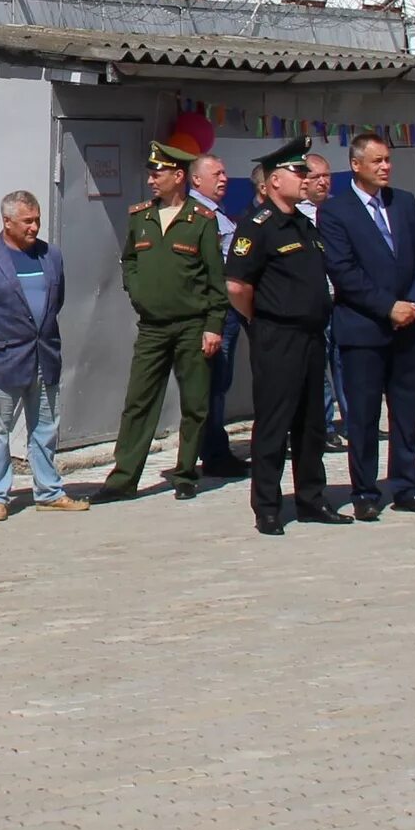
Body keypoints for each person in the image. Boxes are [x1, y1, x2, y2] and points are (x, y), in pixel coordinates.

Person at [316, 133, 415, 521]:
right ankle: (366, 491)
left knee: (406, 412)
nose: (386, 166)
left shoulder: (402, 202)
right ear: (356, 165)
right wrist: (389, 307)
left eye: (387, 159)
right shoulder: (335, 211)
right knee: (364, 416)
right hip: (364, 329)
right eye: (377, 161)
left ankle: (408, 486)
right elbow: (343, 271)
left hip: (409, 327)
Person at [98, 144, 229, 503]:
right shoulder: (141, 216)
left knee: (195, 403)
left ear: (178, 176)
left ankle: (185, 473)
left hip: (192, 325)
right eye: (151, 174)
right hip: (152, 327)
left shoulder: (201, 219)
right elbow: (129, 260)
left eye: (158, 174)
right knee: (138, 401)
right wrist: (136, 291)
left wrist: (214, 325)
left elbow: (216, 279)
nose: (151, 180)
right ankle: (123, 479)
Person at [0, 190, 87, 523]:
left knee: (45, 429)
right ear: (7, 222)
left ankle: (49, 492)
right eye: (27, 221)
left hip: (43, 357)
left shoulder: (50, 256)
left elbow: (57, 301)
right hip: (3, 362)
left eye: (37, 220)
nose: (34, 227)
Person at [224, 142, 337, 536]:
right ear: (275, 181)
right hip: (277, 335)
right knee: (274, 423)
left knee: (312, 423)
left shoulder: (304, 224)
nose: (306, 178)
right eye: (298, 172)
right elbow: (237, 285)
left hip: (311, 336)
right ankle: (268, 507)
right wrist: (259, 318)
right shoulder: (257, 226)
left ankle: (311, 498)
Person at [188, 153, 250, 478]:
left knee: (220, 383)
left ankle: (215, 449)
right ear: (196, 179)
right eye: (217, 174)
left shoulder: (217, 213)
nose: (224, 178)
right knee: (212, 385)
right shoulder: (198, 215)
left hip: (228, 311)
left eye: (225, 172)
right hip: (215, 312)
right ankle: (213, 453)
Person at [298, 152, 349, 446]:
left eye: (326, 176)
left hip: (342, 298)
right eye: (315, 176)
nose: (322, 182)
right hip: (315, 300)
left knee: (345, 362)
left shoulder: (339, 210)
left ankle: (355, 422)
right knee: (319, 368)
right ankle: (325, 425)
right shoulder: (297, 216)